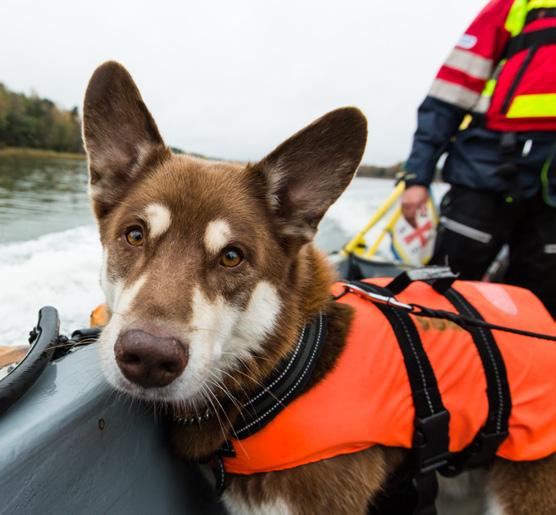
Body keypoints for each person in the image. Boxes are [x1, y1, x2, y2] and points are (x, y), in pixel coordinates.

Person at [402, 0, 556, 318]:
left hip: (550, 194)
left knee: (540, 306)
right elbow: (447, 96)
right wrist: (417, 178)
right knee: (444, 294)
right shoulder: (518, 5)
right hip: (487, 170)